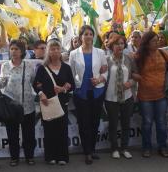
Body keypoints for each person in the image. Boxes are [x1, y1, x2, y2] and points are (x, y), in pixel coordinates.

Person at [134, 31, 168, 158]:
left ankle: (162, 147)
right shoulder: (139, 56)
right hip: (145, 96)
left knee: (161, 122)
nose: (157, 42)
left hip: (162, 95)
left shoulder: (164, 53)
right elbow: (132, 70)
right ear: (147, 43)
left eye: (158, 39)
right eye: (154, 40)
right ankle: (146, 147)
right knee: (147, 123)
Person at [69, 25, 108, 165]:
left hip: (97, 91)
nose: (89, 36)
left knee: (95, 122)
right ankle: (87, 152)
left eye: (91, 34)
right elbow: (72, 74)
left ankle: (93, 149)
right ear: (81, 37)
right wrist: (75, 86)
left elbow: (105, 71)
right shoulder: (74, 54)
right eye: (85, 34)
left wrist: (100, 79)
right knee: (84, 123)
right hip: (81, 93)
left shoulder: (100, 53)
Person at [33, 39, 75, 165]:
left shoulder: (66, 68)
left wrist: (64, 88)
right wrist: (41, 94)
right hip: (48, 103)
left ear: (60, 50)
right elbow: (36, 84)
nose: (55, 51)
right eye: (52, 49)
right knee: (49, 131)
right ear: (48, 51)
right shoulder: (42, 68)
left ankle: (62, 156)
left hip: (62, 103)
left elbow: (72, 85)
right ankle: (50, 156)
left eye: (57, 49)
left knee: (62, 130)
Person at [0, 40, 36, 166]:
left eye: (16, 49)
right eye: (12, 49)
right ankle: (14, 157)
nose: (13, 51)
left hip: (28, 106)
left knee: (29, 134)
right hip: (12, 107)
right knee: (12, 134)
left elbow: (34, 82)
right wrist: (0, 81)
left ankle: (29, 156)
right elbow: (2, 85)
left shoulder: (29, 66)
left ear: (22, 52)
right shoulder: (5, 66)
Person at [104, 34, 137, 159]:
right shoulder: (106, 60)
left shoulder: (129, 59)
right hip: (111, 98)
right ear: (112, 46)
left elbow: (135, 75)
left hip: (127, 97)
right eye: (117, 44)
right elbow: (102, 77)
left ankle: (124, 148)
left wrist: (131, 82)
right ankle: (114, 148)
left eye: (122, 43)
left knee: (126, 124)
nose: (120, 46)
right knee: (113, 124)